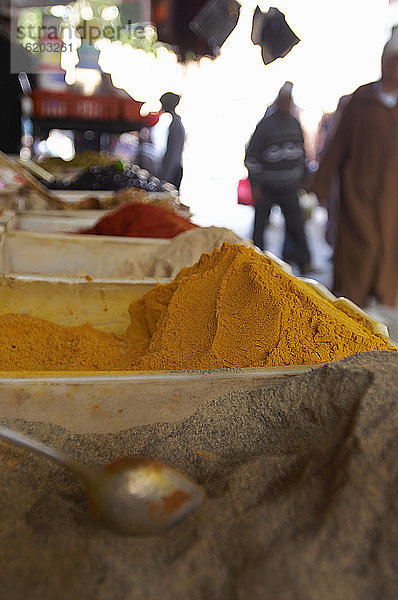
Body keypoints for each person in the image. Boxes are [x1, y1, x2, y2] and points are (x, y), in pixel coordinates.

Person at [310, 32, 398, 307]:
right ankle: (352, 301)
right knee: (362, 245)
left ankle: (380, 298)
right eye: (392, 62)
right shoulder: (362, 98)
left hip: (392, 194)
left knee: (387, 246)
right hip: (357, 188)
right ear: (384, 63)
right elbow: (337, 145)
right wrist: (321, 187)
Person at [245, 82, 311, 273]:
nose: (285, 104)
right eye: (283, 100)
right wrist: (255, 183)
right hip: (267, 186)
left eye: (288, 101)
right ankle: (254, 262)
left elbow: (301, 154)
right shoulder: (265, 125)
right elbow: (252, 156)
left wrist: (302, 177)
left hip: (290, 186)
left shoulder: (294, 123)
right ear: (277, 101)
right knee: (260, 227)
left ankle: (304, 262)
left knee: (296, 226)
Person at [157, 92, 185, 189]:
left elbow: (173, 153)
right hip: (173, 167)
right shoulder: (175, 121)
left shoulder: (175, 124)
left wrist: (166, 177)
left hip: (172, 169)